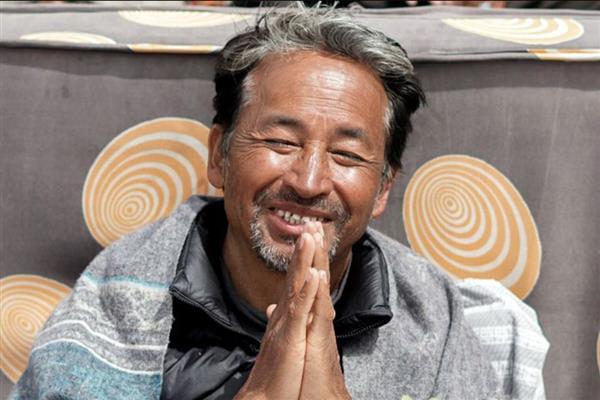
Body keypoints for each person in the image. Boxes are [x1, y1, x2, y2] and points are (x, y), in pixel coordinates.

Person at [11, 5, 547, 400]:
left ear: (383, 187)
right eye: (281, 141)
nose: (309, 182)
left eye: (346, 154)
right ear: (219, 156)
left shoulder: (437, 322)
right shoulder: (115, 306)